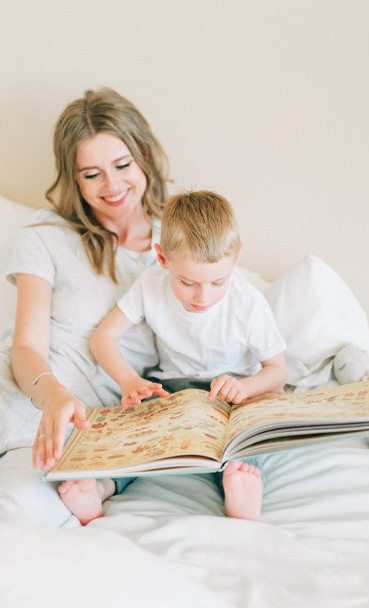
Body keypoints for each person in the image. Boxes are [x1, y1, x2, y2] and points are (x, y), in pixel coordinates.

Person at [59, 191, 287, 524]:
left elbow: (278, 370)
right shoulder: (150, 284)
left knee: (249, 426)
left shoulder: (248, 305)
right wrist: (128, 380)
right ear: (163, 258)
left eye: (218, 282)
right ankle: (104, 485)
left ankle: (241, 481)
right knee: (139, 433)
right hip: (172, 387)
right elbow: (102, 338)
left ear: (236, 257)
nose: (202, 297)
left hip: (235, 391)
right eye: (188, 282)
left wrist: (247, 387)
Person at [2, 87, 170, 487]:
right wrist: (53, 396)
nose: (111, 186)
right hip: (23, 390)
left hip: (87, 430)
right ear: (74, 179)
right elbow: (25, 348)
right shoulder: (46, 237)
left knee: (21, 514)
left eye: (122, 164)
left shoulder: (178, 251)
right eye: (91, 174)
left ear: (144, 155)